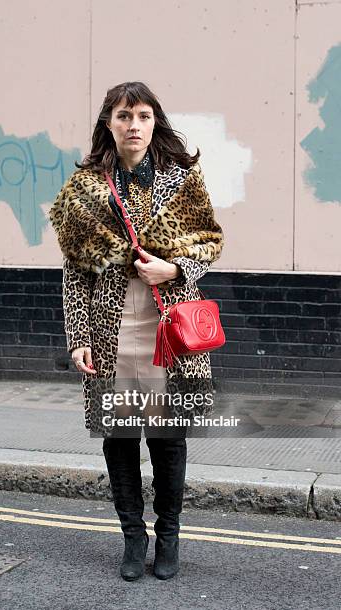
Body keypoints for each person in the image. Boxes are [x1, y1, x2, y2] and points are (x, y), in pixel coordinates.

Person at [49, 81, 224, 582]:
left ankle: (168, 535)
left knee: (168, 439)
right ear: (109, 122)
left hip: (169, 332)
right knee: (120, 438)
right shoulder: (84, 188)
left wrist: (175, 270)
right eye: (125, 116)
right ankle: (132, 536)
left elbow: (208, 242)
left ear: (154, 122)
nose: (134, 126)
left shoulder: (181, 179)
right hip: (109, 333)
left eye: (144, 116)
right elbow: (74, 270)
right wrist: (78, 336)